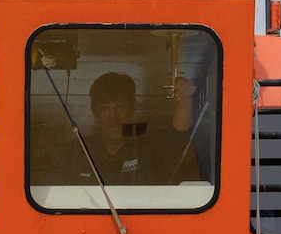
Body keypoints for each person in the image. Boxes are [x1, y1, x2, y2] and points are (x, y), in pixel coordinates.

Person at [63, 70, 199, 188]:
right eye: (105, 109)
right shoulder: (75, 151)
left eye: (120, 107)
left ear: (133, 107)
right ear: (95, 112)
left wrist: (185, 97)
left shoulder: (152, 145)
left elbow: (179, 131)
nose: (113, 117)